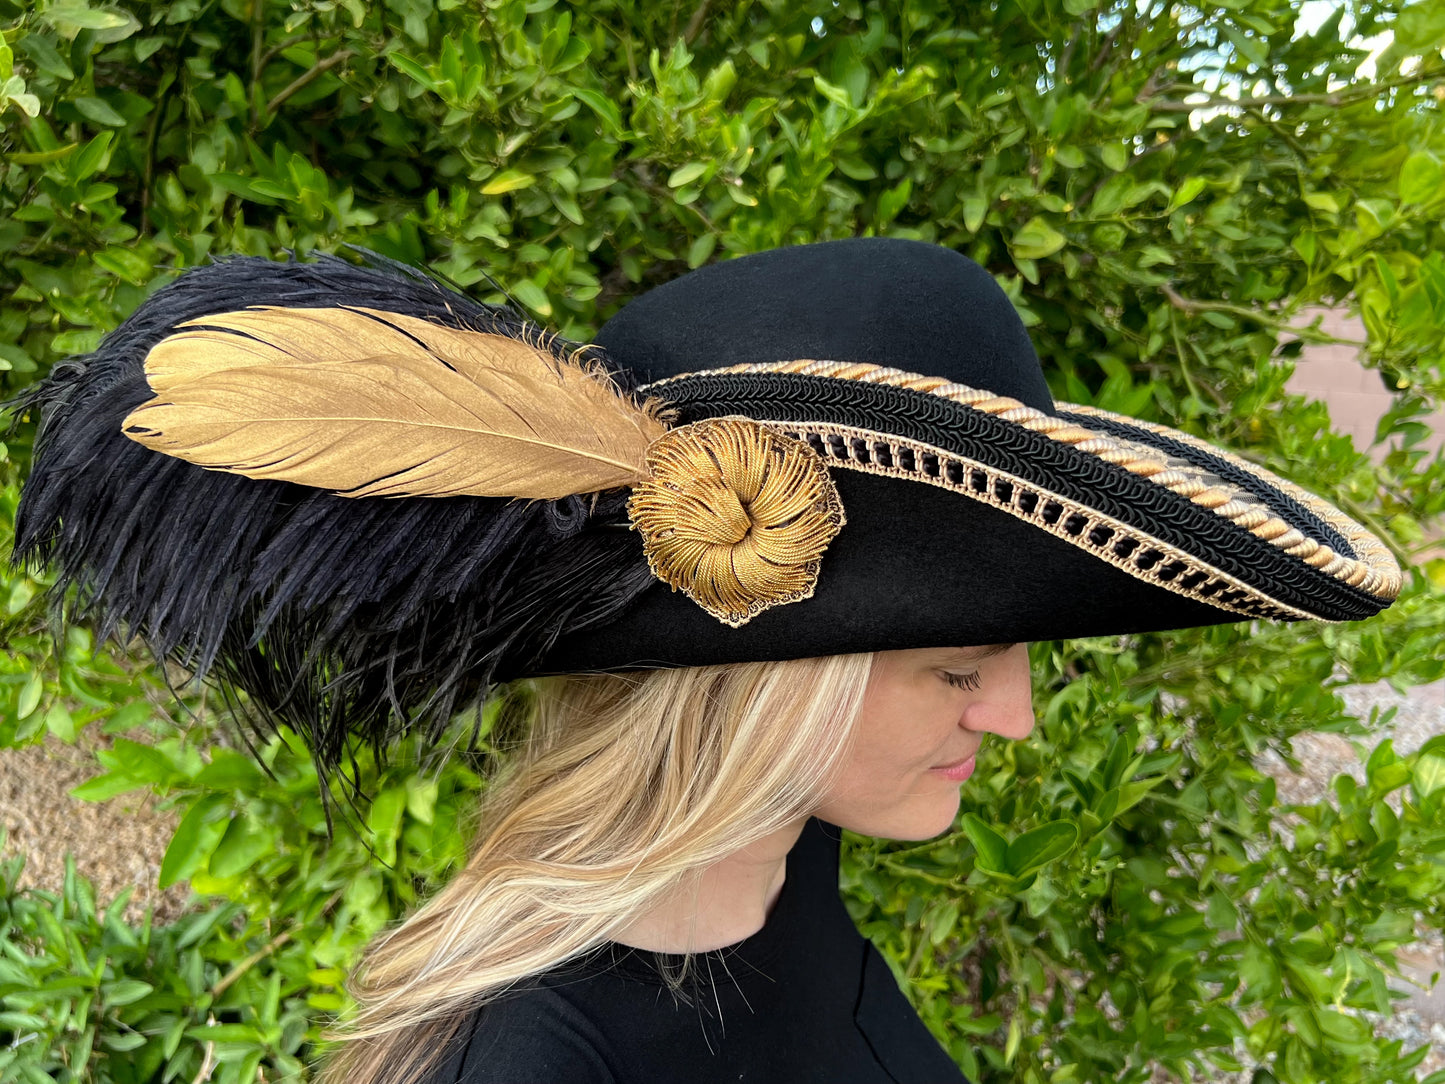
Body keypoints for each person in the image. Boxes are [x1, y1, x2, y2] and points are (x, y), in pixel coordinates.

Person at [12, 238, 1401, 1084]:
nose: (1018, 719)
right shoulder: (534, 1064)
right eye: (958, 665)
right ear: (758, 690)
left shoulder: (788, 880)